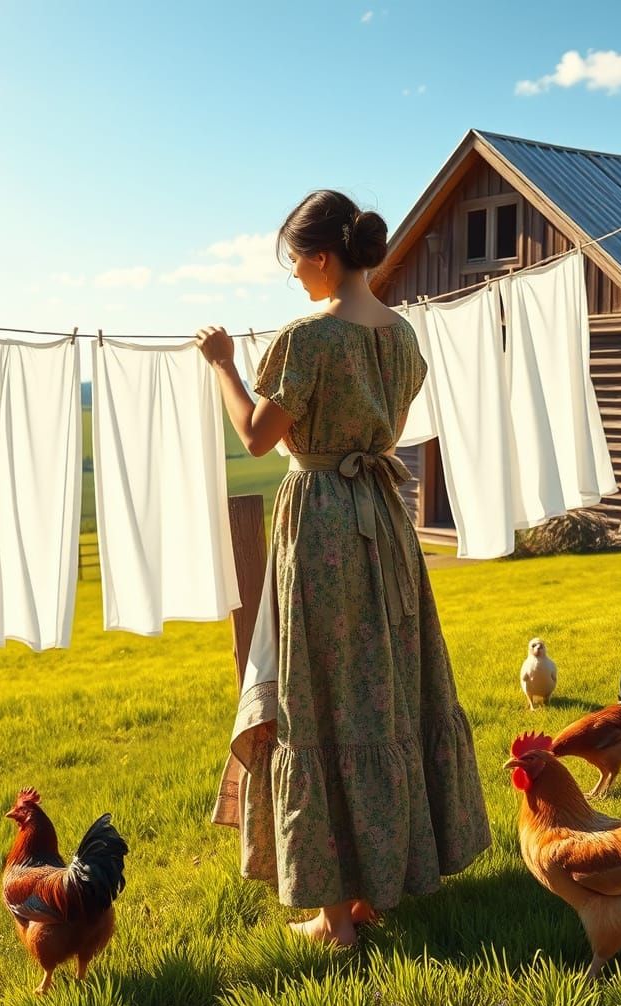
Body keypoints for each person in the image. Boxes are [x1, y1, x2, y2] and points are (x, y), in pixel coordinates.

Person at [195, 190, 491, 947]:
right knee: (383, 687)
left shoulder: (308, 340)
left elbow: (261, 436)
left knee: (317, 695)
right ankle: (377, 884)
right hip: (386, 525)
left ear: (322, 256)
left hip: (324, 522)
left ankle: (335, 919)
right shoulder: (402, 336)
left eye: (295, 261)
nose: (294, 276)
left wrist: (225, 366)